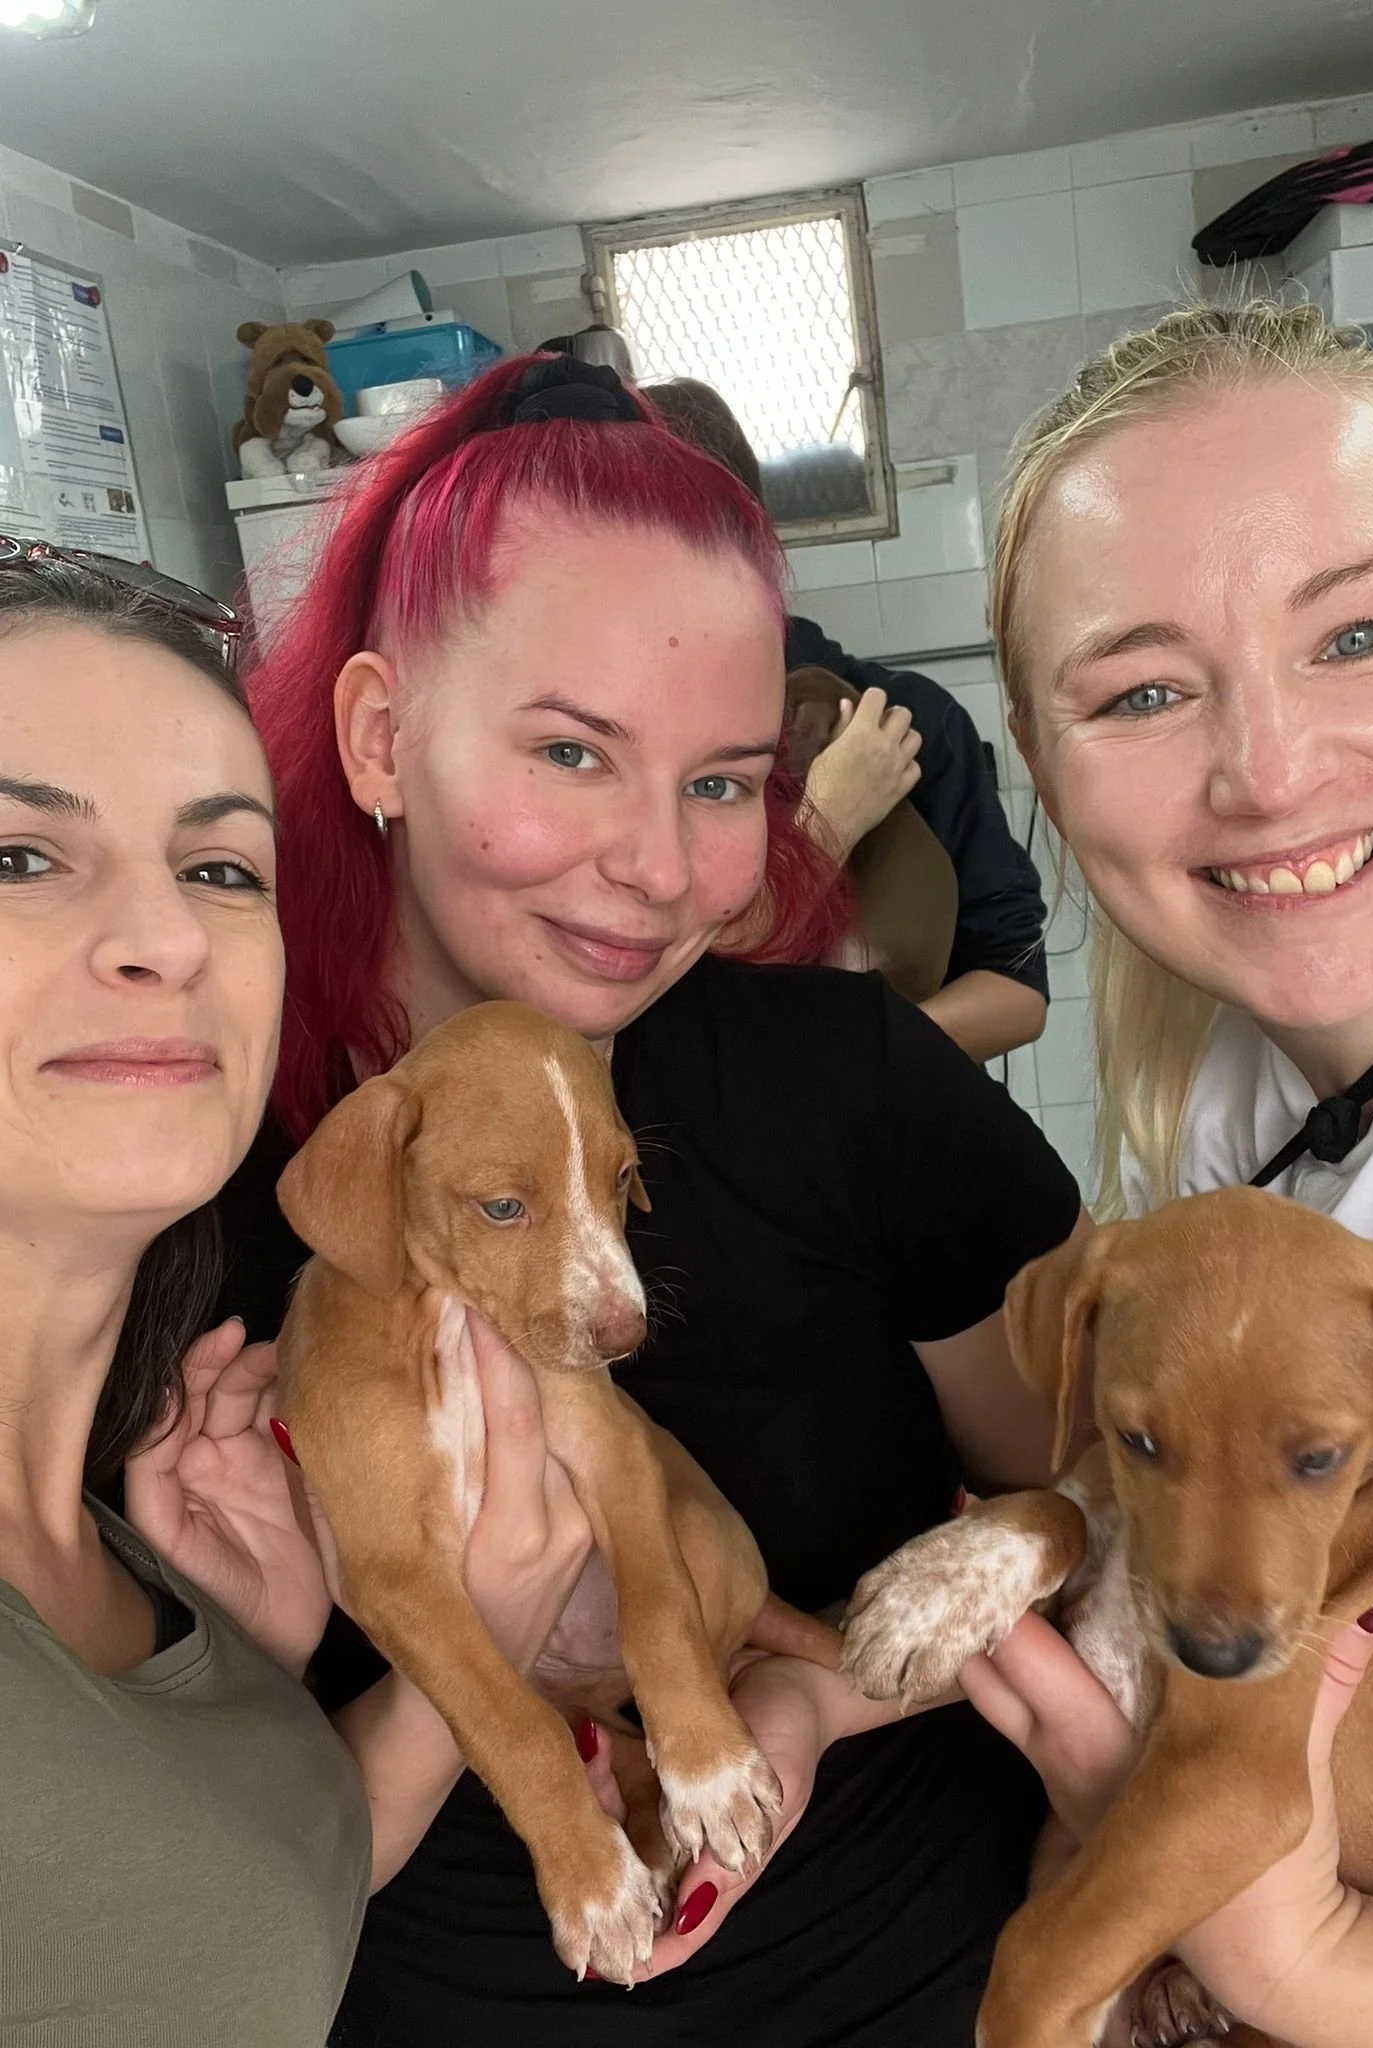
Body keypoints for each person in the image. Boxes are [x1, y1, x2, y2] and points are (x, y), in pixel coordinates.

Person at [216, 350, 1084, 2048]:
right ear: (383, 736)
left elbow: (1103, 1507)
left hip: (927, 1985)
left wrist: (814, 1690)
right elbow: (202, 1889)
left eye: (721, 780)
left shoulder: (851, 1082)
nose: (666, 869)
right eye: (570, 750)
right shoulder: (218, 1177)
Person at [974, 299, 1373, 2042]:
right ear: (1049, 789)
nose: (1270, 770)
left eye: (1359, 629)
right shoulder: (1237, 1086)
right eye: (1143, 688)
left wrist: (1309, 1958)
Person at [0, 547, 370, 2043]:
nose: (164, 939)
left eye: (220, 869)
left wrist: (250, 1693)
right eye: (18, 858)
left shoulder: (116, 1553)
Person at [644, 375, 1050, 1061]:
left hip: (896, 1136)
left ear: (751, 545)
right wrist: (826, 822)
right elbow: (655, 1002)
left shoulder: (910, 725)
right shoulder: (626, 752)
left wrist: (848, 1064)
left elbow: (1016, 991)